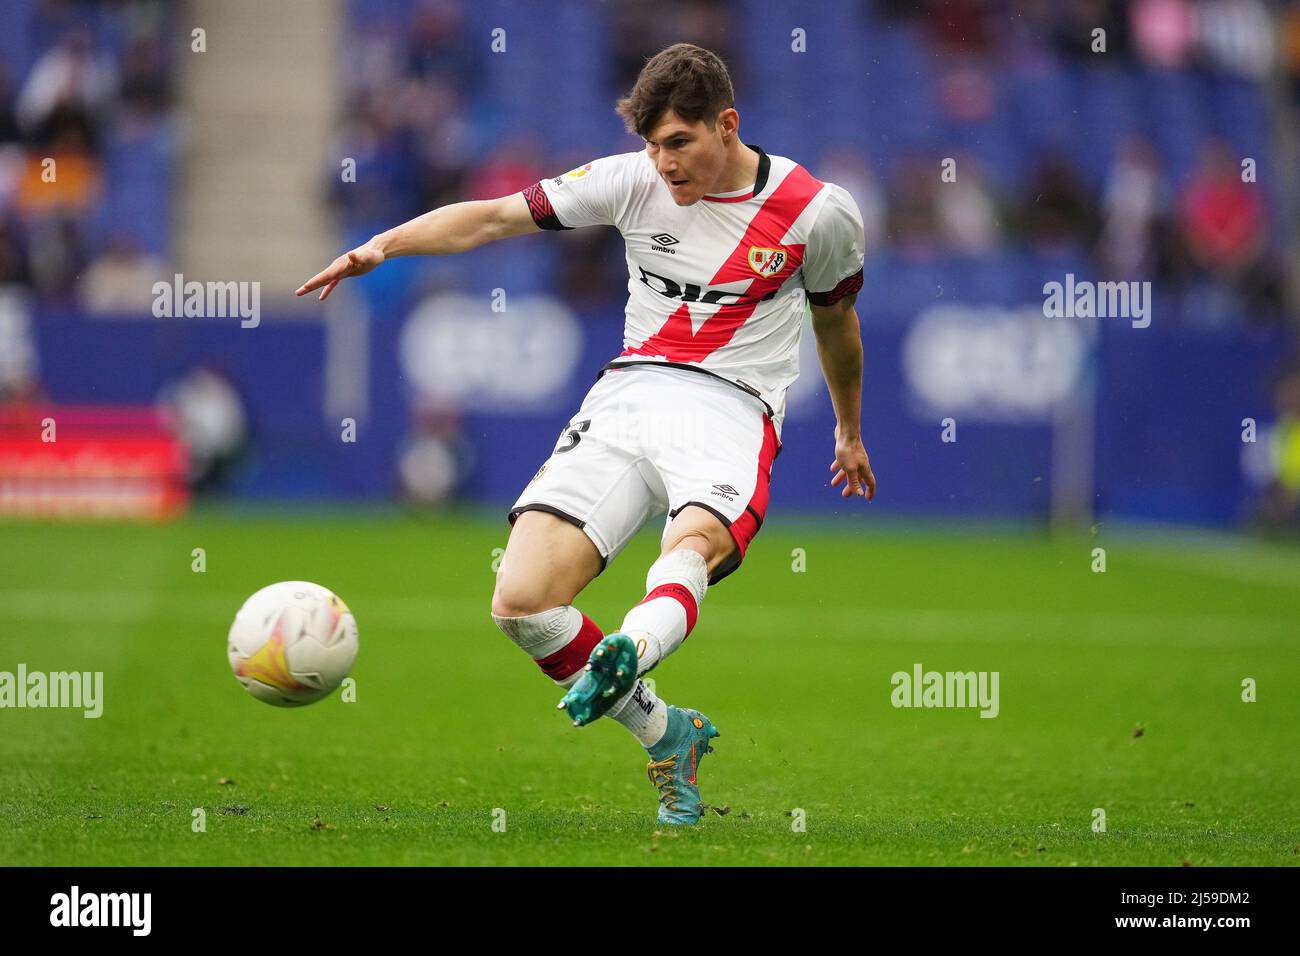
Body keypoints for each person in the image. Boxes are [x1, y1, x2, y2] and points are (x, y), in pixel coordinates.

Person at [297, 43, 875, 825]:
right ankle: (667, 733)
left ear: (727, 124)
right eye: (653, 145)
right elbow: (494, 216)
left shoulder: (817, 212)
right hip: (628, 396)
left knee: (693, 544)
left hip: (731, 408)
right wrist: (380, 246)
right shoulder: (632, 180)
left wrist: (848, 429)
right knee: (522, 602)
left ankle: (632, 647)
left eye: (679, 142)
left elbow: (836, 324)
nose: (664, 164)